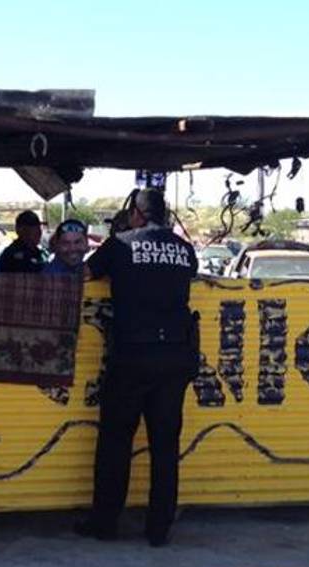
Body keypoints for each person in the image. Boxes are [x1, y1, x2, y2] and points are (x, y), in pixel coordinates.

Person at [75, 188, 198, 547]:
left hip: (131, 354)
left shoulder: (120, 244)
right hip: (175, 355)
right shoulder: (184, 249)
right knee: (165, 446)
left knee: (115, 441)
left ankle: (105, 523)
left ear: (137, 214)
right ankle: (159, 529)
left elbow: (84, 274)